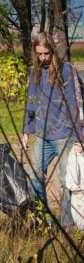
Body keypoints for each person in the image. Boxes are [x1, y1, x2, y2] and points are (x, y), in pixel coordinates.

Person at [22, 32, 84, 229]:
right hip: (41, 134)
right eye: (39, 54)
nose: (43, 58)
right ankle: (43, 221)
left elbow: (76, 105)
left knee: (68, 182)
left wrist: (79, 138)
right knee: (34, 178)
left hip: (65, 135)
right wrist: (26, 130)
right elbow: (31, 102)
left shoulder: (67, 71)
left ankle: (68, 224)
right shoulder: (35, 72)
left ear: (53, 51)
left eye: (46, 54)